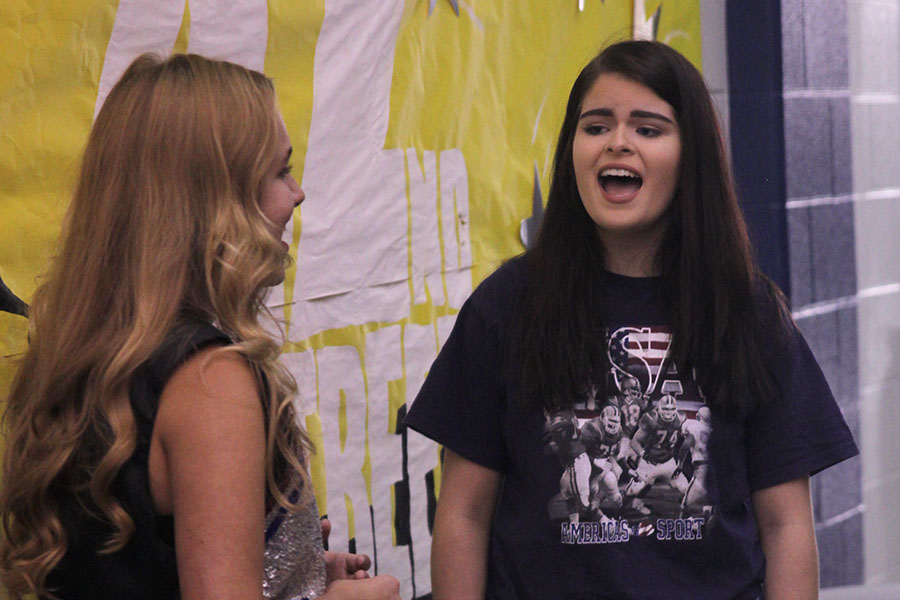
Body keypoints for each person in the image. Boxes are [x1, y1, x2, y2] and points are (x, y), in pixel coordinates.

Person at [405, 40, 858, 599]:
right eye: (596, 126)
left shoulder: (748, 312)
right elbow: (464, 515)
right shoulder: (507, 305)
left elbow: (786, 525)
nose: (617, 142)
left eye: (648, 129)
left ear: (690, 155)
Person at [0, 54, 401, 600]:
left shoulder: (86, 356)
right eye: (280, 171)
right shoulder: (211, 380)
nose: (297, 193)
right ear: (215, 201)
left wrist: (292, 568)